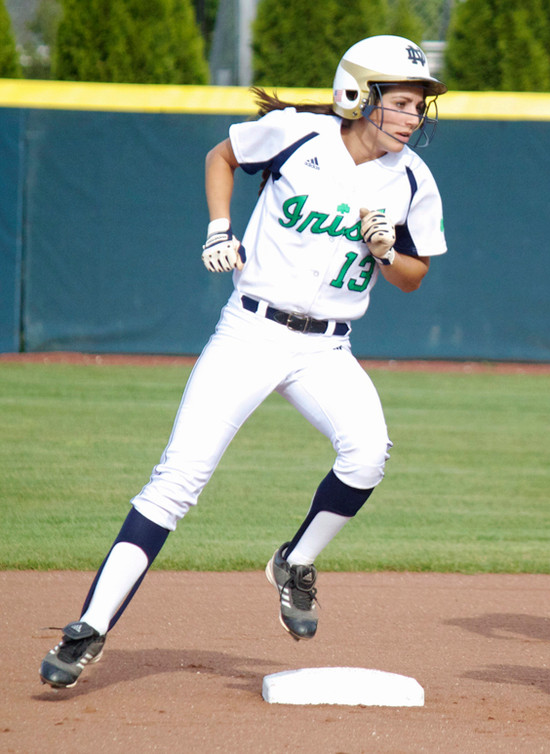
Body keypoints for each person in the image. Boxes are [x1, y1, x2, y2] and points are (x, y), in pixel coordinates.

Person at [39, 35, 448, 689]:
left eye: (417, 104)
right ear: (357, 94)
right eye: (398, 101)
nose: (411, 116)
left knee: (368, 454)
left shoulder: (413, 180)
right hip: (249, 332)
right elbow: (222, 156)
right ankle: (88, 628)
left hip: (327, 347)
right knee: (176, 482)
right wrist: (218, 229)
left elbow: (413, 277)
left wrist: (384, 251)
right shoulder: (296, 133)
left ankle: (294, 562)